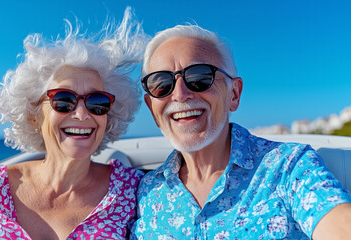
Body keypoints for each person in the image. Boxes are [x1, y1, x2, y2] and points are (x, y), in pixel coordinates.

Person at [130, 24, 351, 239]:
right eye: (161, 84)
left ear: (234, 94)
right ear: (152, 108)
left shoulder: (288, 167)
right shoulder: (145, 191)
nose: (179, 94)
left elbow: (336, 220)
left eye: (199, 77)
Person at [0, 7, 147, 239]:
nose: (83, 114)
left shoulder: (134, 190)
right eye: (64, 100)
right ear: (34, 114)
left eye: (97, 102)